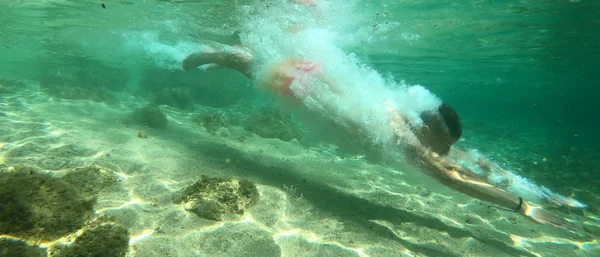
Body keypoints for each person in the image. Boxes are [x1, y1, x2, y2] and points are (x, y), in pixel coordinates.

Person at [182, 46, 579, 231]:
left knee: (256, 67)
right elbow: (451, 177)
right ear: (428, 128)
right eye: (441, 143)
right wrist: (524, 207)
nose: (447, 152)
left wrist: (542, 192)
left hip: (314, 77)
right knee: (251, 68)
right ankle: (219, 54)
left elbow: (470, 158)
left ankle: (232, 55)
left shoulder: (411, 118)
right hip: (304, 89)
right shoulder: (401, 135)